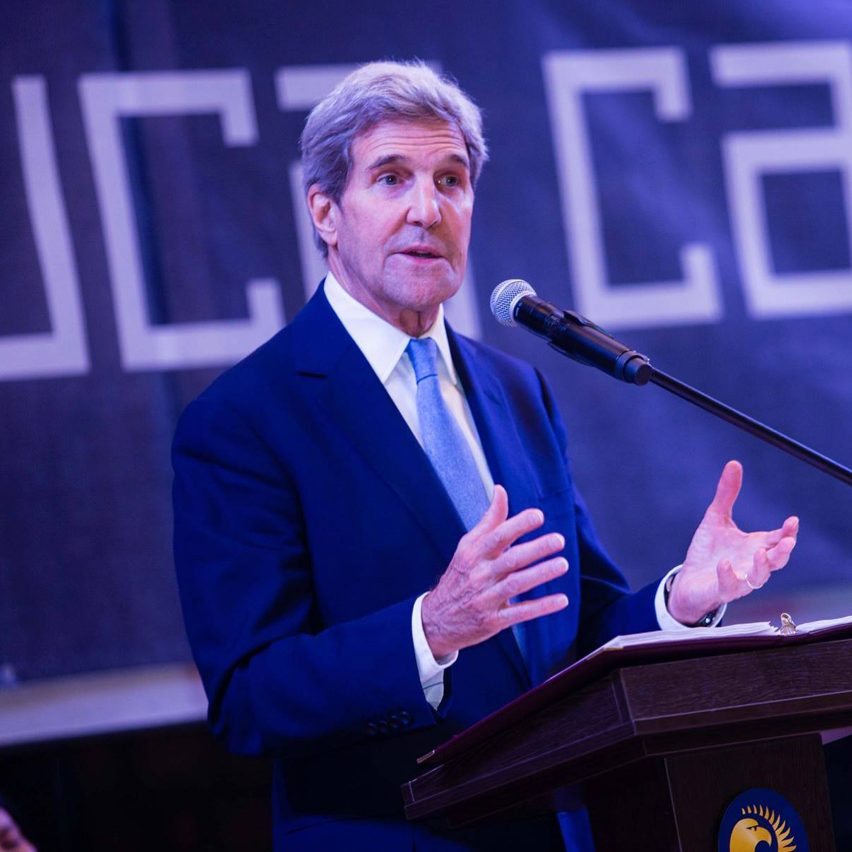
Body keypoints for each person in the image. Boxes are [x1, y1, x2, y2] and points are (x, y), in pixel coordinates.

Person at [172, 60, 798, 851]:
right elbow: (250, 698)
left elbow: (579, 634)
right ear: (325, 211)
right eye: (392, 179)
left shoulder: (516, 386)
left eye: (451, 180)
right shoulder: (245, 420)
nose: (427, 210)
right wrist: (428, 630)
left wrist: (683, 600)